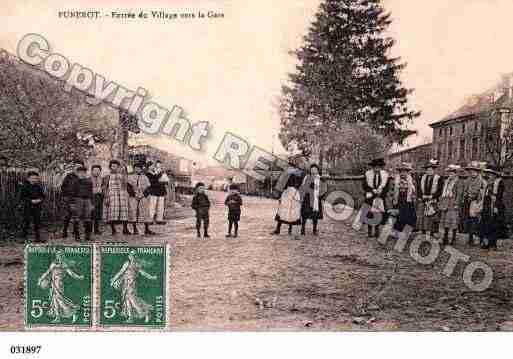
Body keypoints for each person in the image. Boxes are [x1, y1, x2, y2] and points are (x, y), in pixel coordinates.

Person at [110, 250, 157, 323]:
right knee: (127, 301)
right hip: (125, 284)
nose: (133, 257)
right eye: (132, 255)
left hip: (132, 284)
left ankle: (146, 313)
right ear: (129, 256)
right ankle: (130, 317)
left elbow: (143, 273)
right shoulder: (127, 263)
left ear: (136, 256)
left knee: (133, 300)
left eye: (134, 255)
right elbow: (121, 272)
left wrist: (151, 277)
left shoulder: (137, 264)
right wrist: (114, 280)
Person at [362, 158, 389, 238]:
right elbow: (364, 185)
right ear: (372, 167)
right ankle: (370, 231)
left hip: (380, 197)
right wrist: (372, 190)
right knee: (369, 213)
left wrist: (381, 192)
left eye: (378, 167)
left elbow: (386, 187)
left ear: (381, 167)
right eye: (375, 167)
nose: (377, 169)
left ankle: (377, 230)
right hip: (370, 196)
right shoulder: (367, 174)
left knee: (378, 213)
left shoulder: (385, 175)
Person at [102, 160, 131, 235]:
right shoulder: (107, 176)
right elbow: (104, 187)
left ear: (118, 167)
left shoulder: (122, 175)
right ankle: (113, 230)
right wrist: (106, 196)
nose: (114, 168)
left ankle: (125, 229)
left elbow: (125, 185)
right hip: (112, 195)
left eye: (116, 166)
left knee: (124, 212)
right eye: (113, 166)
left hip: (122, 195)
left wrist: (124, 174)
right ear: (110, 167)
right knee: (112, 212)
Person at [462, 161, 487, 246]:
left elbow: (483, 193)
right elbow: (465, 191)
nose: (473, 173)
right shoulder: (467, 180)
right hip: (469, 203)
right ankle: (470, 238)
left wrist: (476, 197)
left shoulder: (482, 181)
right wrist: (466, 196)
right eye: (471, 171)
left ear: (478, 172)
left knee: (477, 221)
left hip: (477, 203)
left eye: (474, 171)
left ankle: (480, 239)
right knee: (470, 221)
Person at [480, 165, 504, 250]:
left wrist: (496, 206)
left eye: (491, 174)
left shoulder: (499, 182)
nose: (489, 175)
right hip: (487, 204)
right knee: (486, 224)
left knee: (494, 224)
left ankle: (493, 243)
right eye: (489, 173)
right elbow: (485, 195)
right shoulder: (488, 183)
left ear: (494, 174)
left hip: (494, 205)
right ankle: (486, 242)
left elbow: (500, 196)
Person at [439, 165, 465, 245]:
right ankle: (445, 237)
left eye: (453, 173)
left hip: (453, 203)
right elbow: (443, 192)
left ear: (456, 174)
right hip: (446, 202)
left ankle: (453, 238)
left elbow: (459, 194)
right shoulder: (447, 181)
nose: (451, 174)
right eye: (450, 173)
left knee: (453, 221)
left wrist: (457, 203)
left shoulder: (459, 182)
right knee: (445, 221)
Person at [127, 162, 155, 236]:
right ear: (134, 169)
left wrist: (143, 194)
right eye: (136, 168)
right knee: (133, 211)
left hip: (143, 196)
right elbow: (128, 188)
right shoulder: (130, 177)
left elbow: (149, 188)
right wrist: (134, 194)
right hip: (133, 196)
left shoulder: (145, 177)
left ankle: (146, 229)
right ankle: (134, 228)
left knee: (145, 211)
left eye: (139, 168)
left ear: (141, 169)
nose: (137, 170)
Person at [417, 159, 442, 238]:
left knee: (432, 216)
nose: (429, 171)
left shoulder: (438, 178)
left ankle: (432, 233)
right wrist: (421, 196)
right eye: (428, 170)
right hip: (424, 199)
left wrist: (433, 196)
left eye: (431, 170)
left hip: (433, 199)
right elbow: (419, 188)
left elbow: (440, 190)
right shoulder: (422, 178)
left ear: (434, 170)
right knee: (423, 216)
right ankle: (423, 232)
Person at [300, 163, 327, 236]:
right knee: (305, 214)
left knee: (315, 215)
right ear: (310, 170)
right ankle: (303, 229)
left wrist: (320, 195)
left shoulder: (320, 178)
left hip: (316, 199)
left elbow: (324, 188)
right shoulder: (307, 177)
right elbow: (303, 187)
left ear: (318, 170)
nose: (313, 170)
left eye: (315, 169)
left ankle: (314, 230)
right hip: (307, 198)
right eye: (312, 169)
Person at [390, 162, 417, 234]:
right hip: (398, 200)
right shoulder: (396, 180)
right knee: (398, 216)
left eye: (405, 171)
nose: (403, 173)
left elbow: (414, 191)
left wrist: (412, 197)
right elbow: (392, 190)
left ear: (407, 172)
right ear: (399, 172)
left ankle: (407, 231)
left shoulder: (411, 180)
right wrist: (393, 198)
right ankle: (397, 231)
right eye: (401, 171)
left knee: (408, 216)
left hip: (408, 201)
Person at [19, 171, 45, 242]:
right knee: (26, 222)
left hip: (37, 207)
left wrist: (40, 199)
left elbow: (43, 196)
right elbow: (22, 197)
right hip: (27, 206)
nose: (34, 180)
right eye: (32, 178)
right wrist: (31, 201)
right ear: (28, 178)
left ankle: (38, 238)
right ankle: (23, 238)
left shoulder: (38, 187)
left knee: (37, 222)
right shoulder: (24, 186)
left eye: (36, 178)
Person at [60, 160, 82, 238]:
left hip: (78, 199)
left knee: (77, 216)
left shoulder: (82, 177)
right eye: (76, 166)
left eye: (79, 167)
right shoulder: (69, 176)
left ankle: (76, 233)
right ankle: (64, 231)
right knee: (67, 215)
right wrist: (66, 195)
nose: (78, 168)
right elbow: (63, 187)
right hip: (68, 199)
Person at [71, 166, 94, 241]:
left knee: (88, 217)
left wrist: (92, 203)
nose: (82, 174)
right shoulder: (74, 182)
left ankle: (88, 235)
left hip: (87, 200)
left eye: (84, 173)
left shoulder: (89, 182)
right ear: (77, 173)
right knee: (77, 217)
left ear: (85, 173)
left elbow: (91, 193)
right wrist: (72, 203)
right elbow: (71, 193)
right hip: (78, 200)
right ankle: (77, 236)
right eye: (80, 173)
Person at [146, 160, 170, 225]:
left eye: (153, 165)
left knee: (160, 206)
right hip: (153, 191)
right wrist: (159, 175)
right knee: (152, 206)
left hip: (161, 190)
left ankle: (159, 219)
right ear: (148, 167)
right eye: (151, 166)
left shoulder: (159, 172)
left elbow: (166, 181)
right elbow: (153, 181)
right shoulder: (148, 173)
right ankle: (150, 219)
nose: (153, 167)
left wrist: (164, 181)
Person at [90, 165, 104, 235]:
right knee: (91, 214)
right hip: (91, 198)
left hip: (99, 198)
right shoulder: (88, 179)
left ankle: (96, 230)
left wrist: (101, 190)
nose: (96, 172)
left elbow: (103, 188)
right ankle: (89, 230)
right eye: (95, 170)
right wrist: (95, 190)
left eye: (98, 171)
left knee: (97, 214)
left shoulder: (101, 179)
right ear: (92, 171)